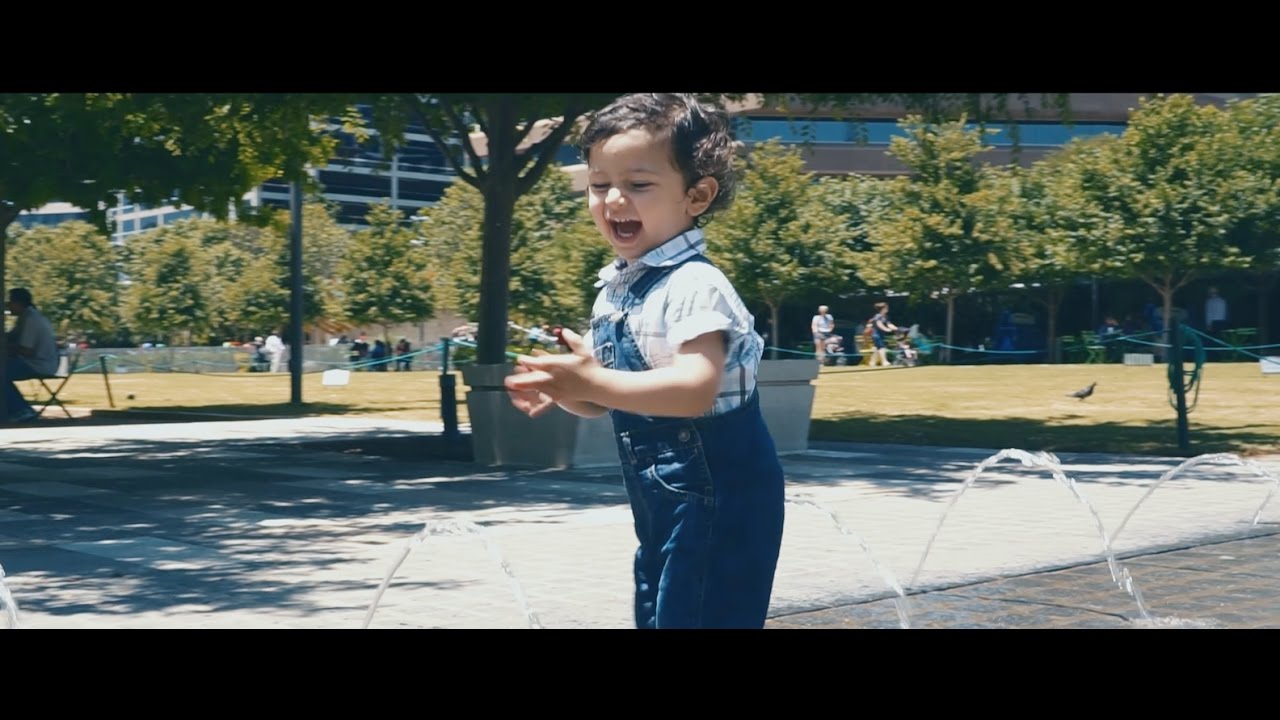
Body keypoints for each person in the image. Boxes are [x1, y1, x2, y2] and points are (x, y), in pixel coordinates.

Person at [504, 94, 785, 629]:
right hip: (666, 504)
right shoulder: (615, 292)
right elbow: (608, 401)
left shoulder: (694, 285)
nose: (613, 199)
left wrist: (593, 381)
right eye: (599, 184)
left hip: (723, 498)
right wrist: (570, 389)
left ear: (696, 195)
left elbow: (695, 389)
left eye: (638, 184)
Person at [4, 288, 58, 423]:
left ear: (18, 303)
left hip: (39, 364)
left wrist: (6, 349)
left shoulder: (31, 319)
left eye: (10, 302)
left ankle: (22, 409)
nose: (8, 305)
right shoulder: (25, 317)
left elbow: (26, 350)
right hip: (33, 362)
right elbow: (10, 337)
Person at [869, 301, 899, 367]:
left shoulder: (885, 316)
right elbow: (879, 324)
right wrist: (886, 329)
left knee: (877, 348)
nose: (887, 309)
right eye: (886, 307)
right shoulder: (878, 316)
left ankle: (872, 362)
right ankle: (884, 361)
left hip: (881, 335)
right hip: (876, 335)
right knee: (882, 348)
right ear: (882, 308)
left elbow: (889, 324)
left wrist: (896, 328)